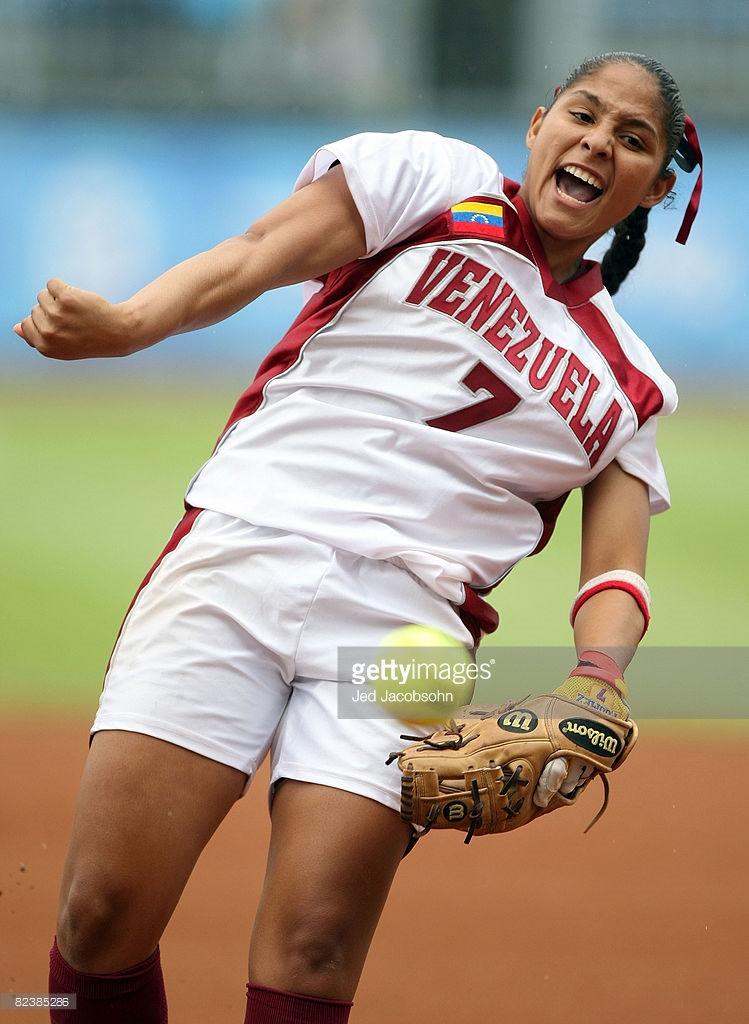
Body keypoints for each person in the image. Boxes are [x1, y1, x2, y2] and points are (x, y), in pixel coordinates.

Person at [13, 51, 702, 1024]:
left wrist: (598, 675)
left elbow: (615, 575)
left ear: (654, 186)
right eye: (583, 115)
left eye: (632, 139)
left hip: (405, 635)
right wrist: (131, 323)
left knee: (313, 948)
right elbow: (258, 253)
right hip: (252, 539)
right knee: (99, 912)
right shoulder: (435, 180)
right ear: (538, 122)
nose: (598, 142)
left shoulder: (629, 383)